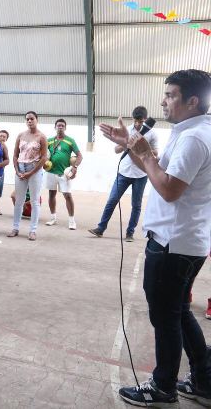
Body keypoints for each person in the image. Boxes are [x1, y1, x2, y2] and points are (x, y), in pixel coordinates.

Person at [102, 70, 211, 408]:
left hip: (172, 243)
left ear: (192, 101)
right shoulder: (191, 131)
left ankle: (162, 386)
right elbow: (157, 168)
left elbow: (169, 189)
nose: (163, 101)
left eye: (171, 95)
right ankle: (205, 380)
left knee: (165, 316)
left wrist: (144, 152)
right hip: (184, 240)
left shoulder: (194, 138)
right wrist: (133, 146)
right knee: (177, 311)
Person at [88, 106, 158, 242]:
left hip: (141, 175)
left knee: (136, 205)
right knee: (112, 200)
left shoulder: (151, 134)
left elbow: (155, 153)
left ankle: (130, 233)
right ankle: (100, 229)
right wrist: (127, 144)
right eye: (136, 121)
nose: (138, 124)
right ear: (133, 119)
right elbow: (116, 149)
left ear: (145, 119)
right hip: (124, 173)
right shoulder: (127, 130)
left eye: (141, 122)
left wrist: (143, 148)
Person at [8, 111, 47, 241]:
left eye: (32, 119)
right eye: (27, 119)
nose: (29, 121)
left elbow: (44, 157)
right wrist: (17, 170)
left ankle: (33, 230)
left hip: (34, 169)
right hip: (20, 168)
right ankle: (15, 228)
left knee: (35, 201)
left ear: (37, 120)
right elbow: (14, 155)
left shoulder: (41, 137)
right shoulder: (21, 135)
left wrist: (31, 172)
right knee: (19, 200)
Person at [44, 119, 83, 230]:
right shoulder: (49, 141)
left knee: (67, 196)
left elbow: (80, 156)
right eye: (58, 125)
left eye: (62, 125)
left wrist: (75, 167)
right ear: (55, 127)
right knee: (51, 195)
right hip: (51, 172)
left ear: (65, 128)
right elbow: (44, 154)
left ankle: (71, 221)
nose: (60, 127)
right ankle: (53, 218)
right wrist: (44, 162)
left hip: (64, 173)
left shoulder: (70, 141)